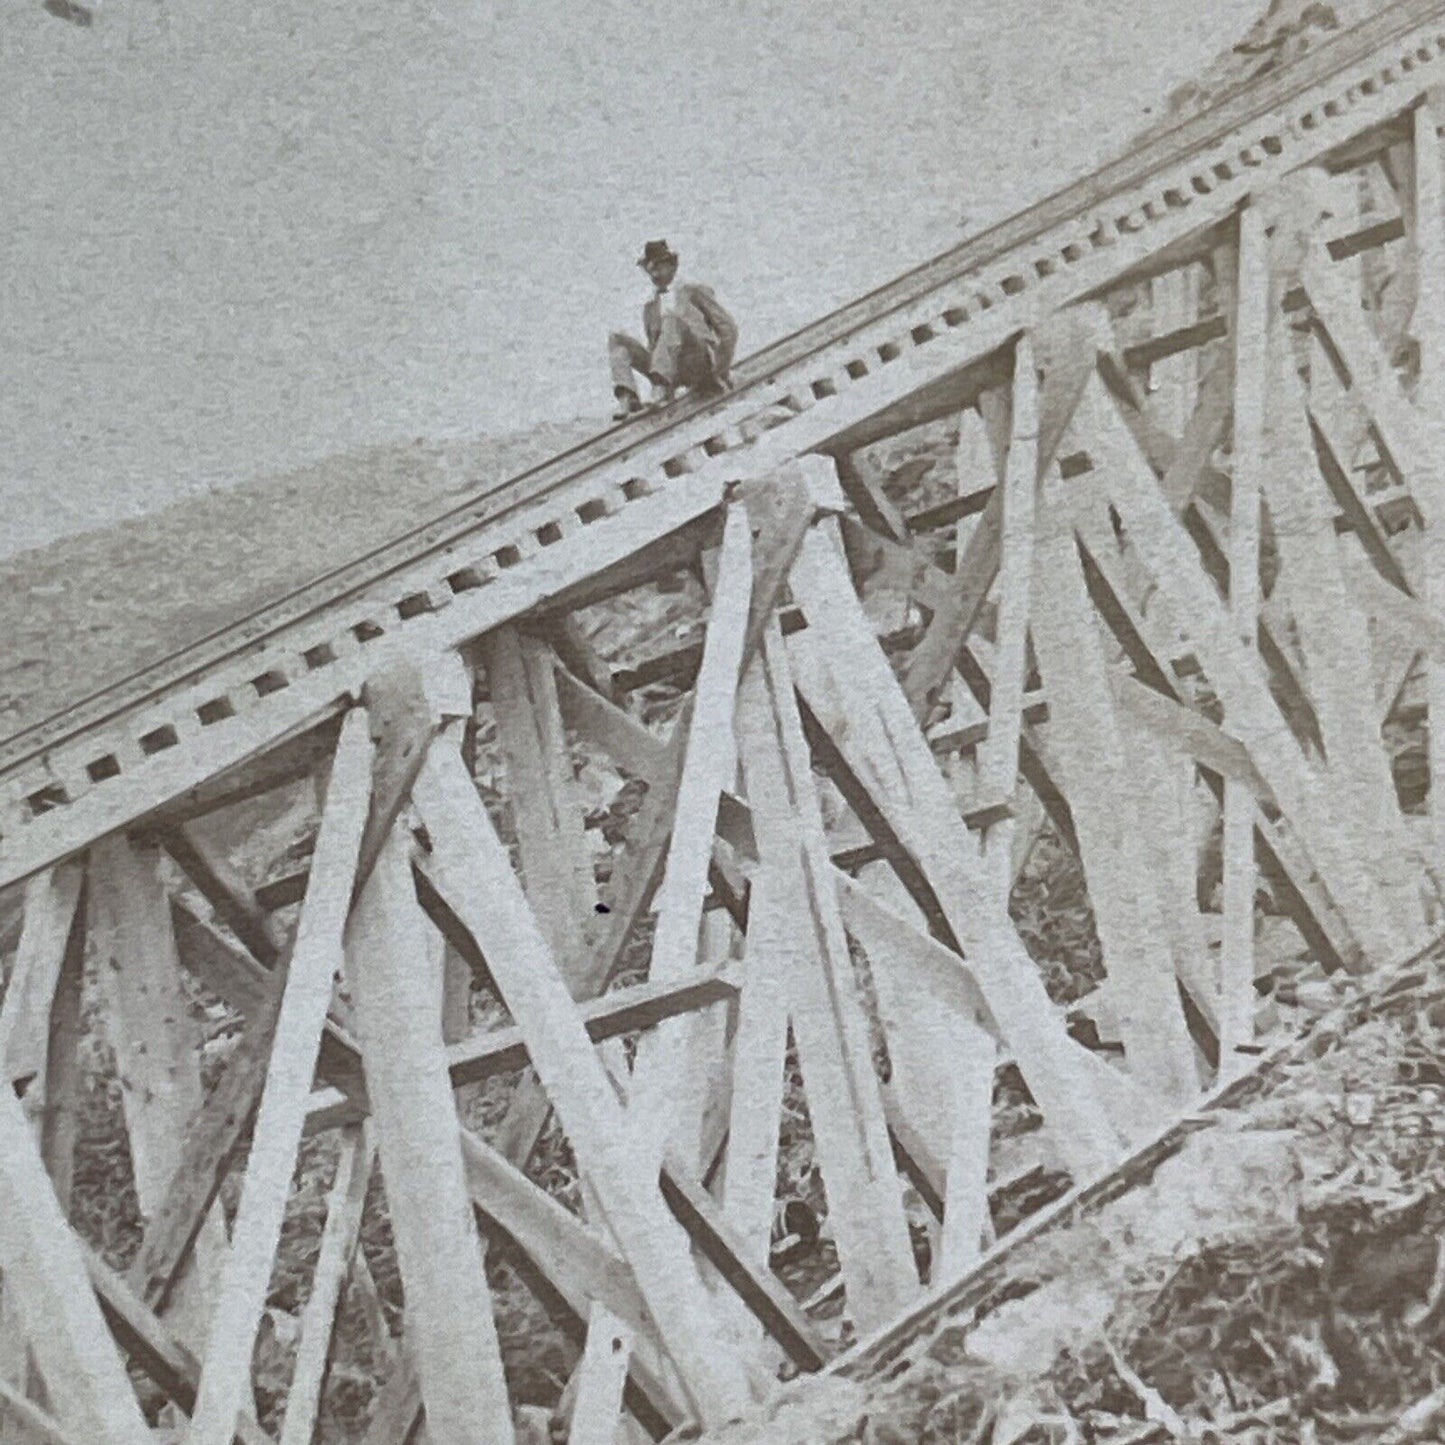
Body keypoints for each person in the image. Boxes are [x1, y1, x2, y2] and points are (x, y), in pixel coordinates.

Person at [608, 240, 738, 420]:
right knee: (617, 339)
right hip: (673, 372)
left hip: (699, 362)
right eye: (649, 269)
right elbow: (656, 347)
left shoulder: (692, 290)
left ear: (672, 265)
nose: (654, 274)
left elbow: (728, 329)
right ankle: (628, 397)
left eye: (658, 267)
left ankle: (660, 385)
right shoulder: (651, 306)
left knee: (672, 320)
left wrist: (720, 371)